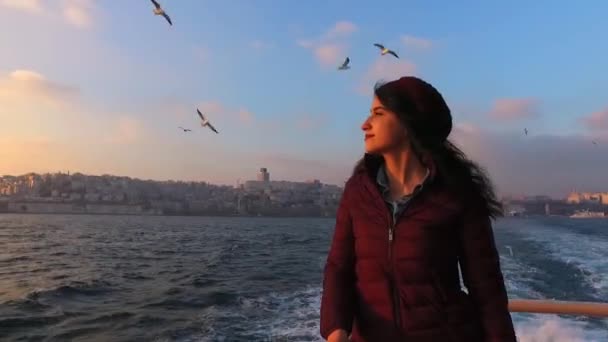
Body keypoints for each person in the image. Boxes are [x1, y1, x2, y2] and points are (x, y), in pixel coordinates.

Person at [320, 76, 516, 341]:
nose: (364, 124)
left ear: (407, 122)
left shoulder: (458, 193)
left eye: (378, 113)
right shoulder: (358, 191)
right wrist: (336, 331)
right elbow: (338, 268)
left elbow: (487, 287)